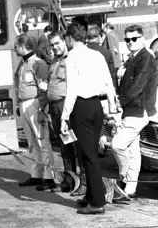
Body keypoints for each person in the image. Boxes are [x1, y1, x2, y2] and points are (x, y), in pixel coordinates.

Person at [60, 22, 118, 215]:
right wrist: (111, 106)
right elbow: (109, 82)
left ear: (69, 38)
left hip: (81, 106)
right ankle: (91, 195)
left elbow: (71, 91)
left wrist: (64, 116)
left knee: (89, 156)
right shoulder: (97, 54)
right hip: (96, 106)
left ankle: (97, 202)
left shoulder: (71, 58)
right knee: (90, 153)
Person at [110, 24, 158, 202]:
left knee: (117, 145)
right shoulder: (134, 58)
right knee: (132, 150)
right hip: (133, 108)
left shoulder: (145, 57)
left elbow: (137, 86)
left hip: (138, 109)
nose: (130, 42)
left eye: (134, 39)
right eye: (127, 40)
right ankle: (130, 189)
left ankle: (125, 179)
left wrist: (119, 104)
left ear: (142, 39)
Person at [13, 34, 55, 190]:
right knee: (31, 142)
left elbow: (43, 89)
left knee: (42, 140)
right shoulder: (23, 64)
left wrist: (41, 108)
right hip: (24, 104)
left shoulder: (38, 64)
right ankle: (36, 174)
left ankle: (49, 177)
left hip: (35, 103)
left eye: (16, 46)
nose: (14, 49)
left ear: (23, 46)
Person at [46, 31, 80, 192]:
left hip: (65, 106)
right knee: (64, 145)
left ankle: (81, 182)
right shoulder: (54, 60)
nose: (55, 47)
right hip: (54, 107)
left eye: (57, 43)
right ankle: (69, 180)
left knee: (74, 144)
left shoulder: (71, 59)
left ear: (65, 41)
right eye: (52, 44)